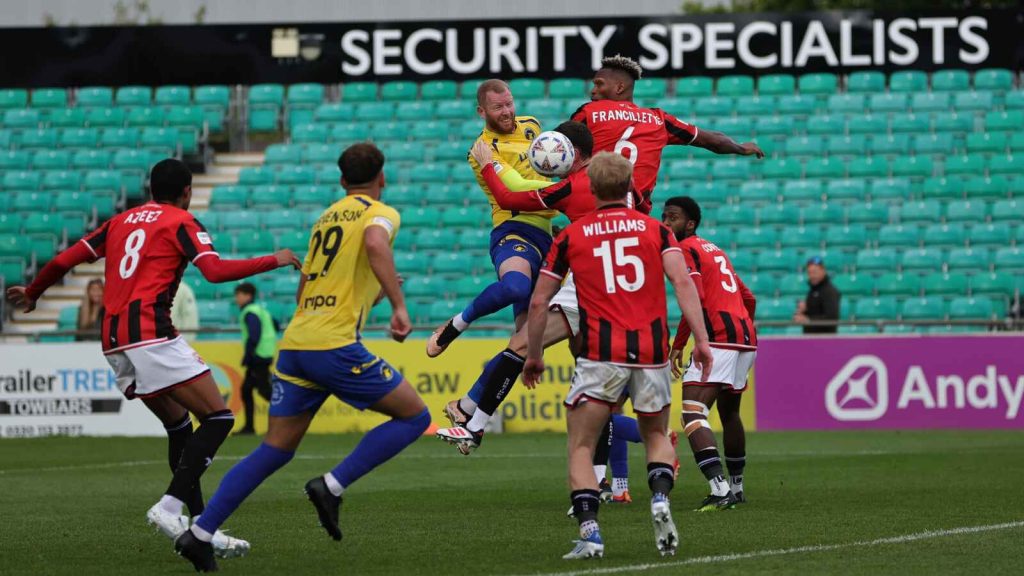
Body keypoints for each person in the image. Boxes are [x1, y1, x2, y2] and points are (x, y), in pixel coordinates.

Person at [6, 158, 301, 561]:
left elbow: (63, 260)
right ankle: (169, 506)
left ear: (149, 189)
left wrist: (35, 291)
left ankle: (201, 529)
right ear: (187, 191)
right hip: (151, 334)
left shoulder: (120, 221)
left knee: (180, 426)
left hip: (112, 340)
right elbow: (213, 272)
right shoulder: (181, 220)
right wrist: (274, 259)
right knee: (219, 418)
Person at [174, 143, 430, 572]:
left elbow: (306, 286)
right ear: (381, 178)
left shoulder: (325, 218)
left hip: (295, 344)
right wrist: (399, 305)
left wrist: (377, 288)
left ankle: (200, 533)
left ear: (342, 181)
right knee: (414, 417)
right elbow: (374, 243)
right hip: (333, 346)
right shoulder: (380, 213)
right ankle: (331, 486)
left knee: (275, 447)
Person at [522, 152, 713, 560]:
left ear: (590, 187)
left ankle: (591, 533)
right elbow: (682, 282)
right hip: (650, 351)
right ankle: (659, 497)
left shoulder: (571, 235)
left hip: (599, 354)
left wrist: (534, 355)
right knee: (657, 435)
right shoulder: (657, 230)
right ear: (631, 186)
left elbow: (540, 302)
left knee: (581, 446)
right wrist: (701, 339)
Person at [426, 79, 555, 356]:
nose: (507, 111)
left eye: (509, 103)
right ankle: (458, 323)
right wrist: (567, 190)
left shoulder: (532, 125)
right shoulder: (482, 150)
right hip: (514, 229)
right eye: (498, 107)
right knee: (515, 288)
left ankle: (472, 402)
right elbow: (515, 187)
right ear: (481, 112)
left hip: (548, 234)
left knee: (527, 343)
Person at [571, 55, 764, 214]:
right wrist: (740, 148)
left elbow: (559, 146)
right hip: (636, 217)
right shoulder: (659, 119)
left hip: (593, 207)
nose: (593, 90)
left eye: (599, 84)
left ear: (619, 87)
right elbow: (711, 140)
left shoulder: (589, 112)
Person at [664, 196, 757, 511]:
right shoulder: (714, 249)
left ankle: (719, 490)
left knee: (692, 413)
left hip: (720, 338)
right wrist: (743, 326)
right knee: (729, 413)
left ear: (689, 224)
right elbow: (748, 296)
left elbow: (694, 295)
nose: (666, 223)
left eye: (673, 217)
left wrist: (678, 344)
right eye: (663, 217)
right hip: (744, 337)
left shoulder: (685, 249)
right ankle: (736, 487)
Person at [233, 282, 278, 435]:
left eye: (239, 295)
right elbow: (276, 325)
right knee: (247, 390)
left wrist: (248, 355)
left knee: (266, 392)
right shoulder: (261, 310)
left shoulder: (250, 312)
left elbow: (254, 335)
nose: (236, 298)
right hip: (265, 355)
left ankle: (288, 420)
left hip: (257, 357)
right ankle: (249, 427)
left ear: (248, 295)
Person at [793, 256, 841, 334]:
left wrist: (808, 320)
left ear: (823, 271)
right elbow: (813, 313)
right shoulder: (812, 290)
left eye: (815, 272)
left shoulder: (830, 291)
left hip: (825, 340)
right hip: (811, 339)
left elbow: (832, 318)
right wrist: (804, 310)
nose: (812, 275)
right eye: (809, 273)